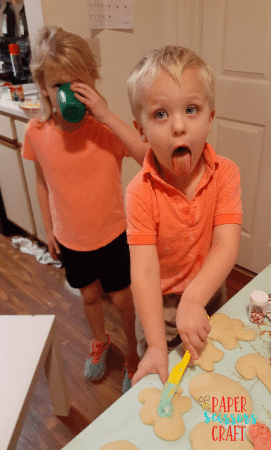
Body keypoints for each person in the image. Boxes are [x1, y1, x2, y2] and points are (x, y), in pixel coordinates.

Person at [22, 26, 148, 392]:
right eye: (59, 85)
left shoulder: (105, 129)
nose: (68, 93)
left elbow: (146, 158)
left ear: (92, 79)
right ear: (44, 87)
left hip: (112, 233)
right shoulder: (37, 132)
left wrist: (107, 115)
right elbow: (42, 182)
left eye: (79, 83)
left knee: (124, 298)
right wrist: (48, 229)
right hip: (71, 238)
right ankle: (99, 340)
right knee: (89, 295)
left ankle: (133, 352)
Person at [126, 45, 243, 385]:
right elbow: (145, 273)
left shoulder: (227, 174)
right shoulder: (139, 193)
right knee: (161, 367)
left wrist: (195, 299)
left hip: (208, 289)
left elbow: (225, 246)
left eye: (191, 109)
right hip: (158, 305)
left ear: (210, 118)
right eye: (160, 114)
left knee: (205, 368)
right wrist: (157, 348)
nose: (178, 126)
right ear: (142, 130)